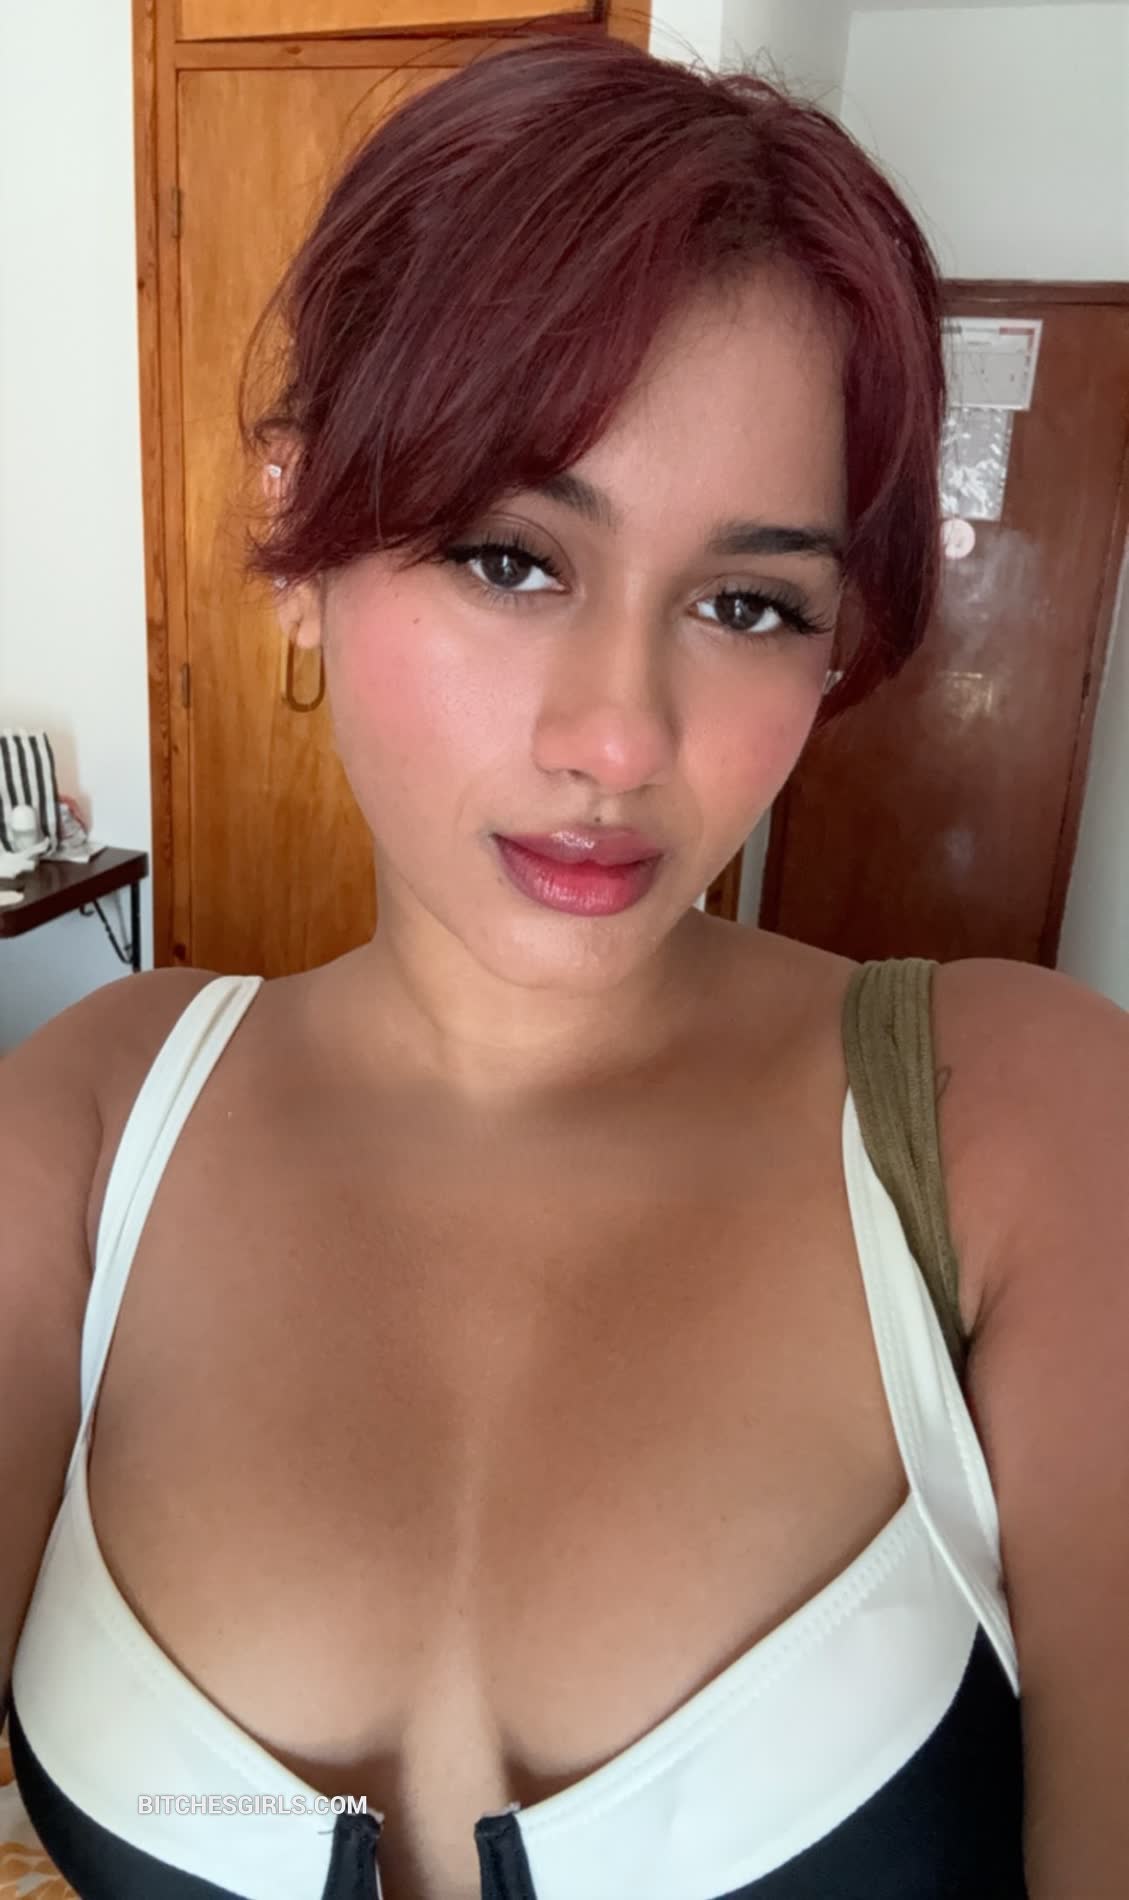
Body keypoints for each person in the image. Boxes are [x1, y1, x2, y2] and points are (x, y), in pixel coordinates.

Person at [2, 28, 1127, 1900]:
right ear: (294, 525)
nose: (617, 737)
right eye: (511, 559)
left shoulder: (1020, 1128)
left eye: (746, 603)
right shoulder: (87, 1132)